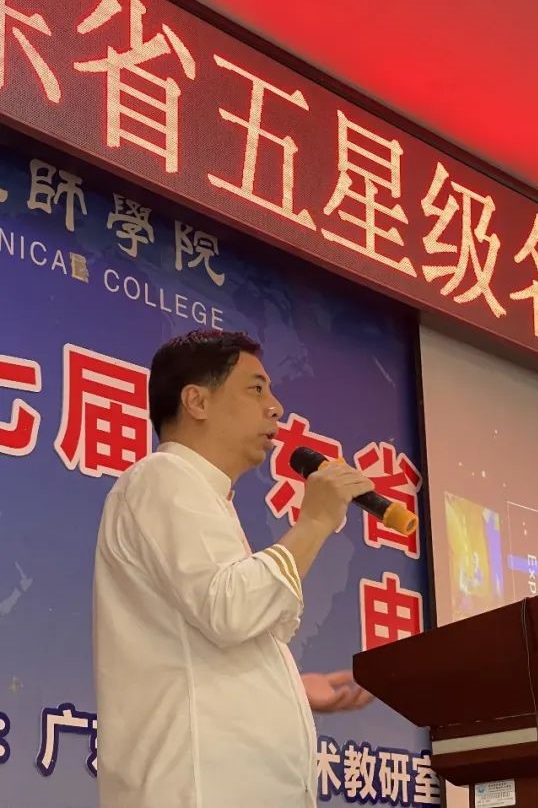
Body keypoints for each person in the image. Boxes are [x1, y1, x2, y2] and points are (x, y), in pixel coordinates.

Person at [93, 330, 374, 807]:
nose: (275, 407)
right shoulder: (163, 477)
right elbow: (231, 609)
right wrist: (316, 521)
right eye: (256, 389)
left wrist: (286, 686)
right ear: (197, 402)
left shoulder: (204, 496)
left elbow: (211, 631)